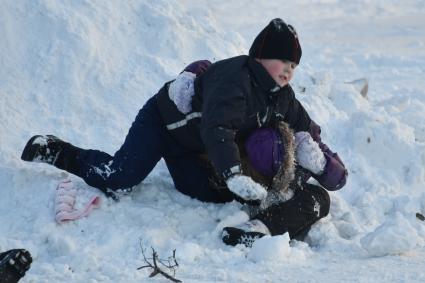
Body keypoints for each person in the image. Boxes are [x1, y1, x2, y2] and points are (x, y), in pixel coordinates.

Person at [21, 18, 347, 246]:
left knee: (205, 192)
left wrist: (329, 167)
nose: (289, 72)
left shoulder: (281, 97)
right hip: (164, 123)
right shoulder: (236, 78)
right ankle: (55, 150)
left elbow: (307, 130)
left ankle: (256, 227)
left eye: (293, 68)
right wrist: (233, 173)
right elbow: (217, 128)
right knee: (120, 176)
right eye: (283, 63)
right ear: (260, 56)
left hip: (192, 149)